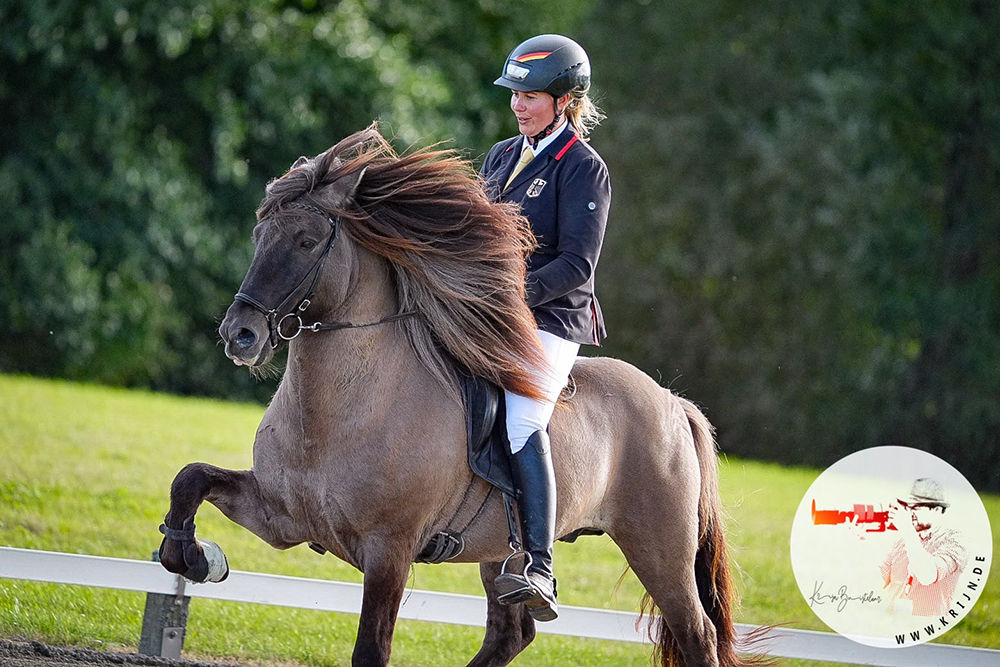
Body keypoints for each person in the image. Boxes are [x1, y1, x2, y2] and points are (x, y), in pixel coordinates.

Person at [480, 34, 611, 622]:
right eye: (515, 95)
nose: (518, 106)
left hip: (553, 317)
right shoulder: (501, 156)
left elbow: (576, 266)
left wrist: (510, 295)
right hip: (489, 311)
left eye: (530, 96)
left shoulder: (584, 168)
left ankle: (539, 565)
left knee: (523, 417)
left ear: (565, 101)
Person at [880, 478, 968, 617]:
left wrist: (908, 531)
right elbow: (880, 579)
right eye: (908, 507)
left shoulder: (955, 542)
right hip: (894, 625)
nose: (910, 513)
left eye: (917, 507)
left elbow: (927, 575)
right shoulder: (905, 539)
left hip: (928, 625)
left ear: (938, 510)